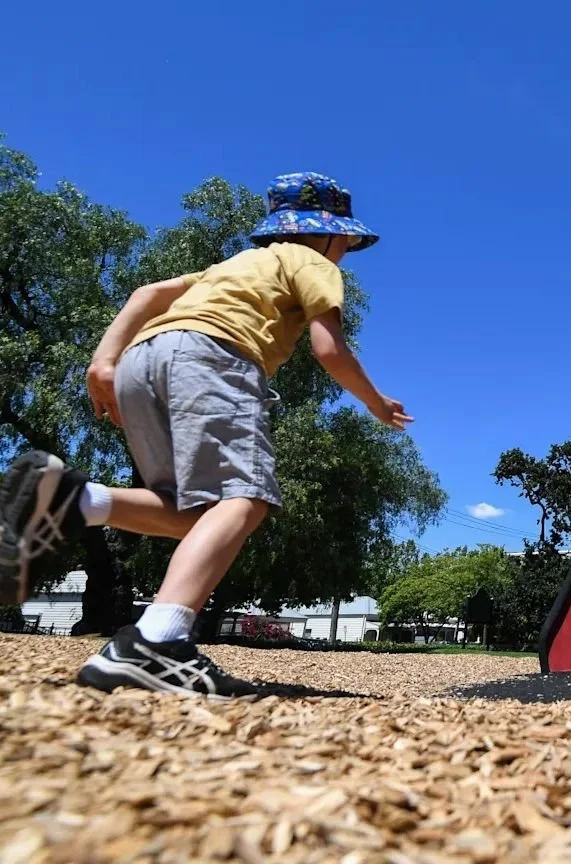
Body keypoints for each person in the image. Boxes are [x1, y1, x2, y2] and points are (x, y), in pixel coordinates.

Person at [0, 172, 411, 699]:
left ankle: (75, 499)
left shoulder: (233, 265)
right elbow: (328, 349)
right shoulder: (315, 263)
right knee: (245, 498)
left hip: (142, 360)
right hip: (214, 356)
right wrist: (376, 403)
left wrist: (103, 361)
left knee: (193, 516)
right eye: (347, 243)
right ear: (330, 234)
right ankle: (157, 643)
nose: (346, 253)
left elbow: (147, 292)